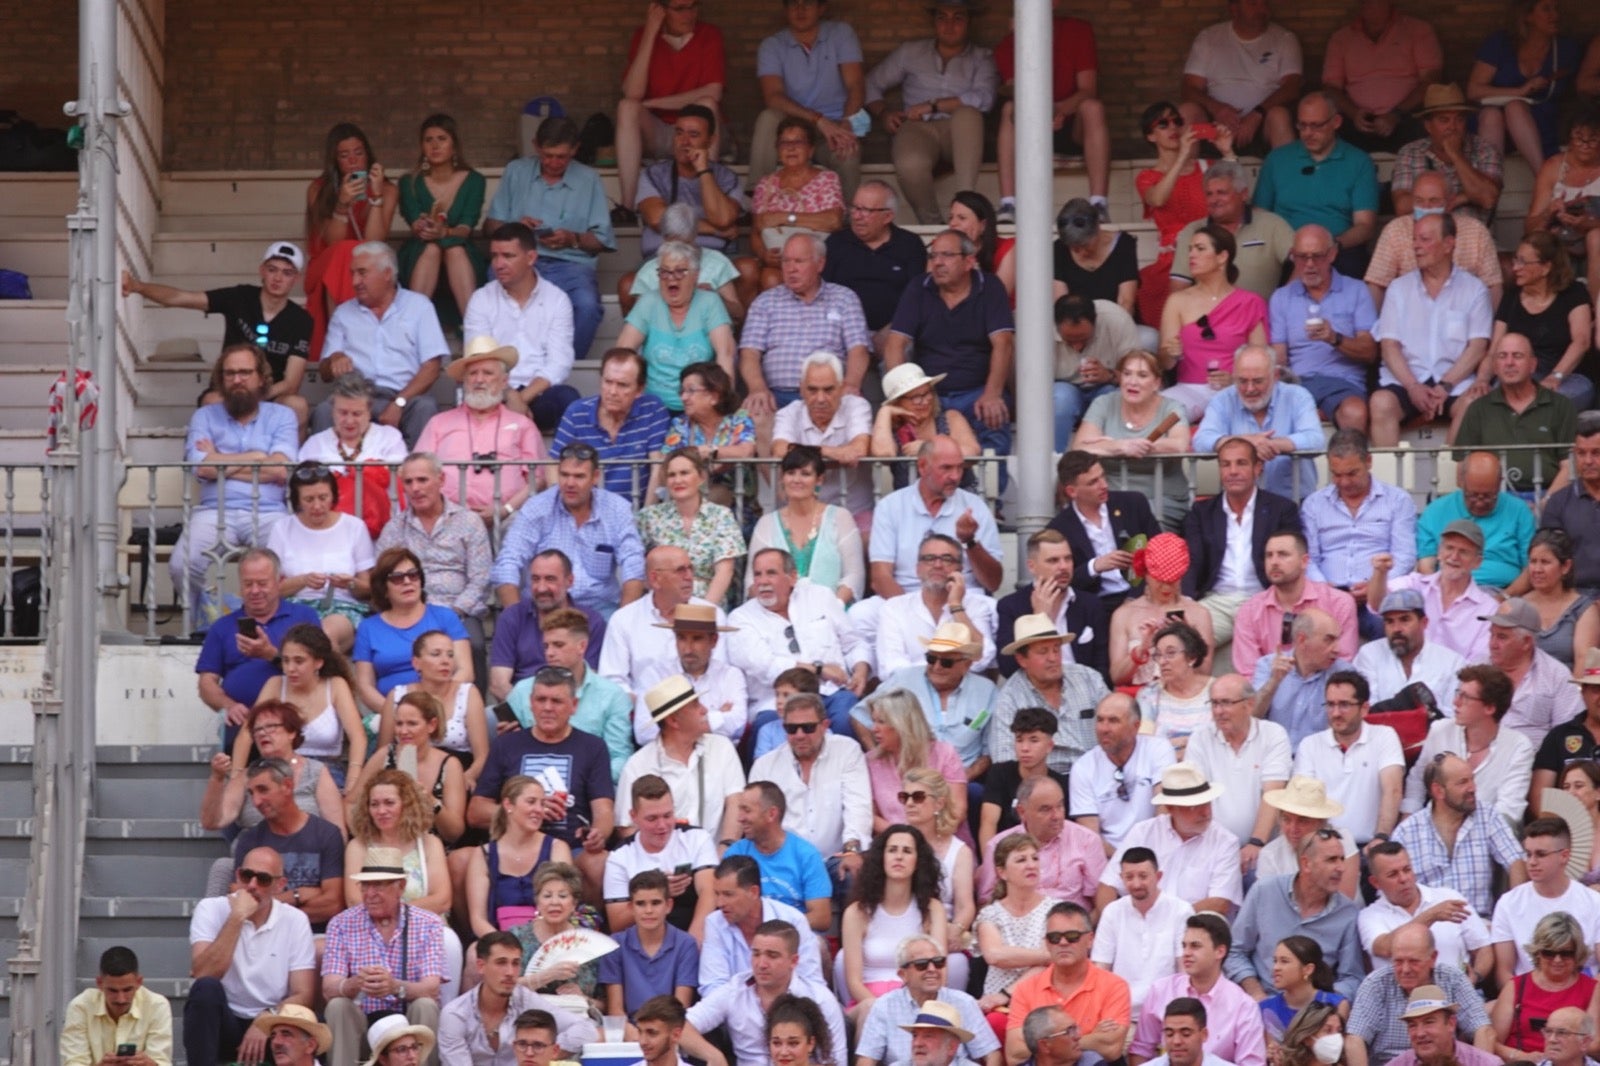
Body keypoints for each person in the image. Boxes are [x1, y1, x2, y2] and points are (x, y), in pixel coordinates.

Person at [121, 242, 312, 430]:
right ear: (262, 270)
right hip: (230, 388)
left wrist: (254, 397)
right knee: (213, 401)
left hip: (269, 395)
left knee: (298, 405)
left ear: (296, 278)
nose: (278, 278)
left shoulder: (301, 320)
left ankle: (293, 462)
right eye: (272, 269)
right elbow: (181, 298)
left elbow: (291, 383)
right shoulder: (240, 297)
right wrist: (137, 286)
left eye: (287, 273)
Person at [171, 345, 298, 623]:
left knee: (291, 565)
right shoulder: (204, 416)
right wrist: (255, 458)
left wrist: (220, 461)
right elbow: (201, 467)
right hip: (214, 511)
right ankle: (201, 624)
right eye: (230, 373)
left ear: (261, 377)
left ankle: (278, 627)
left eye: (245, 372)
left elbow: (280, 469)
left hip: (269, 512)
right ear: (221, 378)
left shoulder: (282, 415)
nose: (237, 379)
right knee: (182, 565)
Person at [468, 668, 615, 896]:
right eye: (541, 699)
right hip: (512, 848)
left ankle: (587, 929)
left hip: (571, 846)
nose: (547, 707)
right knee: (459, 862)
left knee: (600, 862)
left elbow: (604, 811)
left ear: (573, 706)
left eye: (556, 701)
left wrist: (599, 834)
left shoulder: (592, 747)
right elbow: (476, 812)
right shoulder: (507, 745)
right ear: (530, 703)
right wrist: (526, 811)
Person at [483, 118, 615, 368]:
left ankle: (564, 367)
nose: (554, 163)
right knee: (494, 286)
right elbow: (489, 227)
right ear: (536, 146)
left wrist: (572, 238)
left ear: (575, 149)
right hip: (522, 260)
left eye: (562, 157)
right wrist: (516, 226)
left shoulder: (589, 179)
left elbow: (601, 240)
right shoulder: (516, 171)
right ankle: (509, 364)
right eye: (547, 156)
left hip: (571, 265)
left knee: (588, 306)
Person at [882, 230, 1016, 461]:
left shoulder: (990, 287)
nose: (938, 263)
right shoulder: (919, 287)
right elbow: (895, 344)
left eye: (947, 255)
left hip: (977, 391)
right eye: (933, 256)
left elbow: (1003, 343)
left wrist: (992, 393)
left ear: (969, 261)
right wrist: (905, 395)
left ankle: (990, 496)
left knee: (994, 419)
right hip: (929, 393)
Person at [861, 0, 995, 225]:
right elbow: (869, 84)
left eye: (958, 18)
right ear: (934, 21)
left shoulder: (982, 57)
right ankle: (932, 224)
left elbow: (985, 98)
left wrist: (934, 105)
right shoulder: (911, 52)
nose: (949, 25)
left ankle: (965, 210)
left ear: (969, 22)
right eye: (942, 17)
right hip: (919, 127)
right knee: (910, 162)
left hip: (960, 132)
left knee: (968, 114)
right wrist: (884, 113)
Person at [1369, 213, 1494, 446]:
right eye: (1415, 240)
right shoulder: (1398, 288)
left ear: (1449, 244)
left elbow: (1477, 347)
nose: (1417, 246)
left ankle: (1451, 478)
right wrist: (1413, 387)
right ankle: (1388, 482)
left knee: (1473, 404)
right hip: (1406, 380)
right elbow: (1389, 346)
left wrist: (1445, 386)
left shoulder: (1474, 289)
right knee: (1380, 403)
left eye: (1425, 239)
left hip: (1455, 382)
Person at [184, 848, 316, 1066]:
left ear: (280, 885)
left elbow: (304, 994)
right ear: (237, 876)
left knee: (300, 1025)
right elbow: (203, 974)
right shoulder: (211, 908)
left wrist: (267, 1019)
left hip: (272, 1024)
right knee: (205, 990)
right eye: (246, 876)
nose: (252, 885)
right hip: (224, 1018)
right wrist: (237, 917)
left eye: (263, 879)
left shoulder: (295, 920)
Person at [313, 241, 449, 449]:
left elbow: (432, 366)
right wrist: (334, 360)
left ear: (387, 274)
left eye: (362, 273)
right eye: (353, 274)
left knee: (425, 406)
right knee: (324, 410)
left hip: (404, 396)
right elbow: (324, 371)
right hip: (355, 397)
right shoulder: (343, 313)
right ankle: (326, 478)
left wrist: (399, 403)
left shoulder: (419, 306)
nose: (355, 281)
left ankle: (417, 476)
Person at [322, 848, 447, 1066]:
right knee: (337, 1005)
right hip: (361, 1026)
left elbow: (432, 988)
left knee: (425, 1005)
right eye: (365, 885)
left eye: (378, 885)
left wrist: (394, 987)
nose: (370, 894)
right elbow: (329, 988)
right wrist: (354, 984)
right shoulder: (341, 923)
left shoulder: (428, 924)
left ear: (401, 887)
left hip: (407, 1028)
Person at [492, 442, 646, 617]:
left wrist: (623, 621)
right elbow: (508, 562)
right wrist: (516, 619)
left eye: (579, 476)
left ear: (595, 477)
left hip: (600, 608)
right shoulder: (536, 508)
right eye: (564, 475)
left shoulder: (617, 508)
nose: (570, 483)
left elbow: (633, 564)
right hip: (545, 607)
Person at [343, 772, 459, 998]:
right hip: (372, 928)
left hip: (425, 931)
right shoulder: (358, 846)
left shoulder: (428, 843)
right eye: (374, 804)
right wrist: (390, 919)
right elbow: (354, 900)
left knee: (449, 941)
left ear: (406, 805)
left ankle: (443, 1015)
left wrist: (398, 916)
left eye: (389, 803)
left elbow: (443, 898)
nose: (381, 811)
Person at [376, 453, 494, 670]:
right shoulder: (394, 528)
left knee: (474, 646)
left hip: (458, 610)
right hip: (408, 611)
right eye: (409, 482)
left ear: (441, 480)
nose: (415, 488)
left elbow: (481, 578)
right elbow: (382, 577)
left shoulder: (468, 521)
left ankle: (472, 704)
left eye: (422, 480)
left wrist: (451, 613)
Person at [195, 548, 321, 750]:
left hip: (297, 718)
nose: (254, 591)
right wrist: (229, 706)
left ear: (279, 581)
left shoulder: (304, 618)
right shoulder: (223, 626)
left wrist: (270, 654)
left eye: (262, 583)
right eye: (248, 584)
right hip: (244, 721)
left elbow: (320, 672)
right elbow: (206, 683)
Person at [1180, 436, 1303, 645]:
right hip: (1216, 601)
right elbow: (1192, 561)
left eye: (1241, 463)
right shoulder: (1202, 512)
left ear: (1258, 468)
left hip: (1266, 598)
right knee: (1182, 643)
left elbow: (1291, 562)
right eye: (1225, 464)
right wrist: (1187, 603)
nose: (1233, 471)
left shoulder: (1282, 510)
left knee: (1289, 643)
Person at [614, 5, 727, 230]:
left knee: (708, 104)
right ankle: (628, 207)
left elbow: (713, 91)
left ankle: (710, 199)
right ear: (662, 11)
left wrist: (653, 102)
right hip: (657, 131)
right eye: (680, 9)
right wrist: (651, 31)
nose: (689, 14)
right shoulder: (644, 34)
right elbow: (632, 93)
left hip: (695, 130)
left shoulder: (708, 34)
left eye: (694, 6)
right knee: (627, 107)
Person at [464, 212, 582, 425]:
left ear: (531, 258)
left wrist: (521, 399)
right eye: (494, 256)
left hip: (537, 392)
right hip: (494, 389)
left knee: (568, 399)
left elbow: (559, 362)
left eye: (508, 256)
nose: (498, 264)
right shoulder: (481, 299)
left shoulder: (557, 299)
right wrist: (509, 395)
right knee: (475, 395)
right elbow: (478, 357)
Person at [993, 6, 1108, 221]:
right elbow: (1016, 91)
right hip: (1030, 128)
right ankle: (1009, 204)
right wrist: (1022, 43)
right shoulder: (1008, 45)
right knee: (1009, 109)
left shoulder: (1077, 30)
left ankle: (1098, 204)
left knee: (1093, 107)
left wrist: (1057, 111)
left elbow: (1088, 89)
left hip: (1072, 124)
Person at [680, 921, 846, 1066]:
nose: (761, 964)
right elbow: (679, 1025)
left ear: (794, 961)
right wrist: (713, 1056)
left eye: (772, 955)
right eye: (756, 954)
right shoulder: (735, 990)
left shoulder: (820, 998)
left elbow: (837, 1061)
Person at [414, 339, 546, 522]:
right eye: (473, 373)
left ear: (504, 381)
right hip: (447, 518)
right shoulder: (438, 423)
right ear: (464, 381)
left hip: (510, 517)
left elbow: (537, 479)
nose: (479, 380)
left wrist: (505, 509)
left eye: (488, 373)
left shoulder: (523, 425)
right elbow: (418, 472)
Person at [1223, 831, 1365, 1000]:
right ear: (1306, 864)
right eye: (1331, 860)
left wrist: (1321, 1003)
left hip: (1314, 1011)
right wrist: (1256, 993)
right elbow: (1235, 951)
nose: (1341, 868)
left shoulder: (1347, 912)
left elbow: (1351, 977)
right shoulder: (1264, 891)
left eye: (1342, 859)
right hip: (1262, 1000)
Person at [1252, 92, 1380, 278]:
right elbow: (1259, 215)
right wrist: (1288, 249)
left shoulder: (1359, 161)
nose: (1307, 133)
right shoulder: (1277, 159)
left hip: (1338, 250)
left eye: (1316, 125)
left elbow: (1365, 226)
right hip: (1285, 252)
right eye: (1302, 125)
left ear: (1336, 122)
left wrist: (1331, 247)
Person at [1269, 227, 1380, 433]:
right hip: (1298, 382)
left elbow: (1370, 352)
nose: (1309, 264)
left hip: (1342, 383)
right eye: (1302, 257)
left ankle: (1351, 465)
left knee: (1355, 412)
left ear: (1332, 254)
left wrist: (1334, 338)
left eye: (1317, 256)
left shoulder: (1356, 290)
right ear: (1293, 256)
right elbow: (1279, 357)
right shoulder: (1281, 297)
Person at [1392, 753, 1528, 919]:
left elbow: (1515, 861)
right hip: (1430, 928)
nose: (1473, 788)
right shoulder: (1406, 832)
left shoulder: (1487, 815)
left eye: (1472, 779)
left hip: (1480, 923)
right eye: (1463, 782)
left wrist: (1516, 914)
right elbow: (1391, 889)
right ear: (1438, 791)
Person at [749, 692, 871, 876]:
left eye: (807, 727)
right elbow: (757, 822)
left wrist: (852, 851)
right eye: (792, 728)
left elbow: (857, 806)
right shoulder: (765, 766)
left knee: (854, 874)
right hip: (783, 862)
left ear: (824, 725)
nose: (799, 735)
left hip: (835, 858)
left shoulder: (847, 750)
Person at [1097, 764, 1242, 919]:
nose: (1205, 812)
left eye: (1207, 803)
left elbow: (1219, 903)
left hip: (1195, 930)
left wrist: (1165, 922)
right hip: (1141, 928)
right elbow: (1107, 886)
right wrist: (1114, 924)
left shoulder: (1225, 842)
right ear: (1171, 808)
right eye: (1194, 806)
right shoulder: (1143, 833)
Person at [750, 0, 865, 194]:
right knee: (769, 117)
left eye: (808, 3)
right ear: (785, 9)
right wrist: (818, 120)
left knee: (848, 153)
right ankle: (755, 195)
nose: (800, 9)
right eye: (794, 3)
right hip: (794, 129)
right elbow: (773, 97)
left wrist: (847, 122)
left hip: (835, 125)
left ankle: (850, 219)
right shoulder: (772, 45)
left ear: (821, 8)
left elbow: (856, 86)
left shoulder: (841, 33)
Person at [840, 825, 951, 1025]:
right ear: (881, 858)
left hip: (918, 999)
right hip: (869, 1002)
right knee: (870, 1009)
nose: (898, 857)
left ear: (918, 862)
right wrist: (884, 1010)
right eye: (892, 850)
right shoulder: (856, 913)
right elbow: (853, 982)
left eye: (907, 851)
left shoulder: (933, 909)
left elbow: (940, 973)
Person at [1071, 350, 1193, 533]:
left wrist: (1135, 446)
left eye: (1142, 375)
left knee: (1136, 520)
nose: (1132, 382)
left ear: (1156, 383)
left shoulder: (1172, 408)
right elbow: (1080, 447)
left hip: (1160, 499)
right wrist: (1119, 447)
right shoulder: (1103, 403)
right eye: (1127, 374)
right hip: (1109, 498)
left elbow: (1179, 444)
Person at [304, 123, 399, 355]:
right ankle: (344, 334)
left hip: (365, 263)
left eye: (359, 153)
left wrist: (375, 196)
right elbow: (332, 242)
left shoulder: (387, 189)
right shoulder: (318, 188)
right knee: (344, 250)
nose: (353, 161)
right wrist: (342, 204)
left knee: (354, 253)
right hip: (326, 263)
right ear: (335, 160)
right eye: (345, 156)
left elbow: (374, 244)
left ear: (368, 155)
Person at [617, 679, 744, 850]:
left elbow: (736, 804)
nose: (704, 709)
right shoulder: (638, 765)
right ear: (674, 721)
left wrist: (723, 854)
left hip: (716, 861)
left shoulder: (722, 747)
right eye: (695, 705)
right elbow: (628, 828)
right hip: (660, 868)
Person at [1159, 226, 1270, 423]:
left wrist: (1237, 379)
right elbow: (1164, 363)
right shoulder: (1176, 301)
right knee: (1158, 415)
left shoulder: (1250, 302)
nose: (1192, 255)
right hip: (1189, 388)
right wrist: (1171, 353)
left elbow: (1261, 360)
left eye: (1200, 249)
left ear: (1222, 257)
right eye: (1190, 249)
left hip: (1238, 389)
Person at [439, 931, 601, 1065]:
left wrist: (546, 1052)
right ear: (481, 966)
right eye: (501, 963)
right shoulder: (455, 1014)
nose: (510, 972)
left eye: (515, 963)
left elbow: (585, 1028)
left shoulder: (525, 999)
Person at [1136, 101, 1231, 327]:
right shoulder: (1147, 176)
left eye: (1177, 122)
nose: (1173, 128)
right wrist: (1182, 157)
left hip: (1213, 253)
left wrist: (1227, 151)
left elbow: (1237, 195)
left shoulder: (1208, 167)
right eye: (1163, 124)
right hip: (1173, 260)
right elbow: (1157, 199)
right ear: (1150, 136)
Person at [869, 437, 1003, 598]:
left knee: (994, 613)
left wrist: (970, 541)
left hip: (963, 598)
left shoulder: (975, 507)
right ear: (923, 466)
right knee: (860, 614)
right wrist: (909, 613)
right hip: (904, 596)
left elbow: (993, 583)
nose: (955, 476)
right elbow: (880, 578)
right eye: (946, 468)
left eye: (959, 468)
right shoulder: (890, 506)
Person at [266, 461, 376, 653]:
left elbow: (368, 589)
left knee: (323, 636)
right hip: (295, 607)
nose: (317, 506)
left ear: (333, 496)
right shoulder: (282, 528)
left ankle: (331, 682)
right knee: (296, 637)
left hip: (343, 607)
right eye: (309, 500)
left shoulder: (354, 526)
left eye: (323, 497)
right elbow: (271, 591)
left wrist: (349, 583)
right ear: (297, 501)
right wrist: (302, 581)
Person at [1347, 924, 1495, 1066]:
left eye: (1413, 961)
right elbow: (1354, 1039)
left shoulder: (1452, 978)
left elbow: (1483, 1030)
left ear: (1433, 958)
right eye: (1398, 961)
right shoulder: (1376, 983)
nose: (1405, 969)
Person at [1132, 911, 1266, 1066]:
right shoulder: (1161, 990)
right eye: (1184, 946)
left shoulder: (1243, 1006)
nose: (1186, 953)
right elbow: (1141, 1050)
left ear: (1220, 951)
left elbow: (1251, 1063)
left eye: (1195, 946)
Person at [633, 107, 748, 286]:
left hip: (715, 257)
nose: (684, 141)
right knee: (627, 285)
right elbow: (657, 219)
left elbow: (724, 219)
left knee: (747, 268)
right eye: (679, 133)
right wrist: (714, 230)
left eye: (693, 135)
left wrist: (703, 170)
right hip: (664, 259)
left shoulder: (726, 177)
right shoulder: (654, 174)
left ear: (711, 140)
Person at [1404, 665, 1533, 824]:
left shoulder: (1519, 746)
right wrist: (1408, 822)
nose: (1455, 702)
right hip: (1437, 828)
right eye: (1458, 693)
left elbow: (1509, 810)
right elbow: (1417, 781)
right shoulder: (1440, 730)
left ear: (1489, 708)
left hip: (1490, 836)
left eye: (1465, 697)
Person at [1005, 903, 1132, 1064]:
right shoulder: (1026, 989)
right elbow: (1015, 1054)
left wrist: (1051, 1043)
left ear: (1090, 940)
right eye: (1054, 938)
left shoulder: (1114, 986)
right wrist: (1090, 1037)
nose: (1063, 943)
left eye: (1072, 936)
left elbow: (1111, 1048)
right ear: (1047, 943)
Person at [1194, 346, 1325, 502]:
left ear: (1275, 376)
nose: (1249, 389)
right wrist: (1245, 443)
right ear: (1234, 376)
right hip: (1241, 505)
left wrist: (1272, 444)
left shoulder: (1297, 396)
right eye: (1242, 381)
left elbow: (1316, 439)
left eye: (1257, 381)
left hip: (1295, 502)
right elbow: (1201, 440)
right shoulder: (1222, 400)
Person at [203, 700, 346, 842]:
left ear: (292, 732)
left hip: (305, 857)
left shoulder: (315, 771)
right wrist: (217, 779)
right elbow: (212, 822)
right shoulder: (245, 776)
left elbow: (337, 831)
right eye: (257, 730)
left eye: (271, 727)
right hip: (254, 857)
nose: (262, 733)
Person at [619, 243, 737, 415]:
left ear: (696, 276)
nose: (671, 278)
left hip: (700, 407)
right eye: (665, 272)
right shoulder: (648, 302)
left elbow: (725, 355)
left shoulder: (710, 302)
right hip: (653, 407)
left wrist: (723, 407)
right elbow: (623, 352)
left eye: (680, 271)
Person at [352, 547, 472, 716]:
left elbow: (465, 671)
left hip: (445, 709)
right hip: (392, 716)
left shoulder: (445, 617)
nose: (407, 581)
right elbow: (365, 687)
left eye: (413, 575)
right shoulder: (368, 627)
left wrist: (437, 707)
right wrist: (398, 714)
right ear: (383, 588)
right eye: (397, 578)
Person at [232, 755, 346, 931]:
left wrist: (268, 904)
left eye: (263, 790)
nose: (256, 802)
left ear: (287, 785)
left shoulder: (326, 834)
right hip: (263, 935)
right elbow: (242, 904)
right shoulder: (250, 840)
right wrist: (297, 895)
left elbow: (332, 905)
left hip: (315, 936)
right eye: (251, 793)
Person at [1186, 674, 1292, 861]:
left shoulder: (1273, 734)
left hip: (1262, 847)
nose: (1218, 711)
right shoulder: (1200, 738)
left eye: (1226, 703)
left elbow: (1273, 795)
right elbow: (1196, 797)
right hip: (1211, 847)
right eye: (1214, 703)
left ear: (1249, 704)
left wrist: (1256, 843)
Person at [1291, 669, 1404, 846]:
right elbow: (1304, 803)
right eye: (1330, 705)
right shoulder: (1309, 745)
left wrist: (1381, 838)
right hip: (1324, 847)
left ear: (1364, 708)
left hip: (1370, 846)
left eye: (1344, 705)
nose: (1335, 713)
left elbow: (1393, 790)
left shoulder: (1384, 736)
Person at [1365, 171, 1505, 312]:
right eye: (1419, 201)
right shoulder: (1395, 230)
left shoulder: (1476, 231)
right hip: (1410, 318)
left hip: (1463, 319)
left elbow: (1492, 285)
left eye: (1433, 201)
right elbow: (1377, 284)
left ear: (1450, 202)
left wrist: (1490, 328)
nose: (1426, 207)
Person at [991, 615, 1112, 777]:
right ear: (1021, 660)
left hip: (1098, 774)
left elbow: (1116, 725)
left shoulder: (1088, 677)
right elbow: (1004, 759)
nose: (1053, 658)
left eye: (1056, 649)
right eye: (1043, 652)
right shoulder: (1010, 698)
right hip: (1046, 782)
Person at [248, 624, 364, 793]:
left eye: (299, 661)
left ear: (318, 662)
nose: (290, 668)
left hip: (328, 770)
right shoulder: (275, 684)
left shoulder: (336, 685)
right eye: (286, 660)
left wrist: (352, 784)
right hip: (278, 769)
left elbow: (358, 736)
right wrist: (236, 775)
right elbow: (247, 731)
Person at [1455, 333, 1575, 495]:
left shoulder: (1561, 406)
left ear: (1533, 365)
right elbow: (1463, 470)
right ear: (1495, 367)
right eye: (1502, 356)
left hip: (1548, 496)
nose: (1509, 363)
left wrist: (1546, 503)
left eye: (1517, 356)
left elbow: (1570, 466)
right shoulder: (1478, 409)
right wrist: (1497, 504)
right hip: (1495, 500)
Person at [1046, 451, 1162, 619]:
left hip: (1142, 594)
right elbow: (1062, 581)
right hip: (1096, 606)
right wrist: (1094, 566)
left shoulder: (1133, 504)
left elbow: (1158, 552)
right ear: (1072, 491)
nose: (1104, 485)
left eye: (1102, 476)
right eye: (1093, 482)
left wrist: (1134, 598)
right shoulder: (1059, 528)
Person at [1467, 0, 1580, 170]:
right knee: (1492, 114)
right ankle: (1490, 183)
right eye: (1546, 9)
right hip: (1495, 124)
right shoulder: (1501, 42)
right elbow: (1473, 90)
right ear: (1527, 15)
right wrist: (1521, 90)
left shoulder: (1565, 49)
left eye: (1556, 9)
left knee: (1515, 108)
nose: (1555, 15)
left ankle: (1542, 177)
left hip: (1539, 121)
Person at [1367, 520, 1499, 663]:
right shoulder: (1415, 584)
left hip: (1455, 681)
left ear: (1477, 562)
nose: (1454, 557)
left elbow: (1478, 662)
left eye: (1463, 552)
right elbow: (1378, 605)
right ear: (1439, 552)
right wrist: (1380, 573)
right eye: (1449, 548)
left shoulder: (1488, 608)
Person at [397, 113, 486, 325]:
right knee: (433, 248)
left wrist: (444, 232)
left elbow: (466, 227)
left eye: (442, 139)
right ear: (422, 146)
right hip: (421, 251)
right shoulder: (409, 182)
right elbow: (414, 223)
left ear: (454, 145)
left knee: (454, 249)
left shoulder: (474, 180)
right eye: (428, 140)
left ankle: (474, 330)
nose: (435, 146)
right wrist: (422, 227)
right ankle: (411, 329)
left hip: (460, 251)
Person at [856, 934, 999, 1066]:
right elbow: (866, 1059)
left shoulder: (964, 1003)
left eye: (938, 962)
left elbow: (992, 1055)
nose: (932, 969)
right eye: (922, 964)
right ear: (903, 974)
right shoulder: (884, 1006)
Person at [1490, 234, 1595, 413]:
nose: (1515, 268)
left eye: (1523, 262)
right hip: (1519, 375)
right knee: (1494, 404)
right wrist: (1481, 381)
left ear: (1546, 267)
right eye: (1516, 260)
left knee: (1543, 404)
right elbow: (1495, 347)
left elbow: (1581, 341)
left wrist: (1555, 377)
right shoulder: (1511, 296)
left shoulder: (1574, 293)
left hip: (1568, 378)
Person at [350, 688, 468, 844]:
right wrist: (366, 839)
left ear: (431, 725)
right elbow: (350, 803)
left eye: (412, 724)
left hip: (431, 849)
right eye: (399, 724)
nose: (403, 731)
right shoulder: (385, 755)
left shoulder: (449, 765)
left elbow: (454, 832)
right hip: (385, 846)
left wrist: (431, 801)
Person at [1321, 0, 1442, 152]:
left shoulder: (1418, 30)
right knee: (1329, 127)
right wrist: (1354, 113)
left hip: (1407, 116)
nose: (1367, 4)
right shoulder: (1341, 37)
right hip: (1356, 119)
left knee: (1427, 125)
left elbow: (1430, 81)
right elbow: (1331, 88)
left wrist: (1396, 114)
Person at [1179, 0, 1303, 149]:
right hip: (1216, 128)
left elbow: (1292, 87)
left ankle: (1287, 172)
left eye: (1264, 4)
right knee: (1187, 111)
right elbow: (1189, 89)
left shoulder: (1284, 38)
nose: (1261, 9)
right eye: (1253, 3)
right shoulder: (1209, 38)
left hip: (1262, 126)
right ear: (1234, 9)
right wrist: (1217, 109)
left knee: (1279, 116)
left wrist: (1257, 114)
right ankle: (1185, 170)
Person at [463, 775, 574, 939]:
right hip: (499, 938)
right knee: (474, 954)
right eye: (531, 802)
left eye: (542, 804)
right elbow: (478, 919)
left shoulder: (556, 848)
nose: (539, 809)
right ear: (508, 805)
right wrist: (506, 945)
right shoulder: (483, 855)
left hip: (547, 936)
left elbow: (564, 907)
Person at [1491, 816, 1600, 983]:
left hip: (1583, 997)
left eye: (1541, 854)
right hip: (1529, 999)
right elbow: (1504, 972)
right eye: (1528, 854)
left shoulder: (1594, 902)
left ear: (1564, 856)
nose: (1532, 862)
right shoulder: (1508, 903)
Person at [751, 445, 865, 604]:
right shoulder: (767, 523)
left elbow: (854, 575)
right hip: (778, 615)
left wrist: (833, 608)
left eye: (805, 474)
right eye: (790, 473)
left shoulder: (840, 517)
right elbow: (751, 580)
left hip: (832, 612)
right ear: (782, 478)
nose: (796, 480)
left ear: (819, 480)